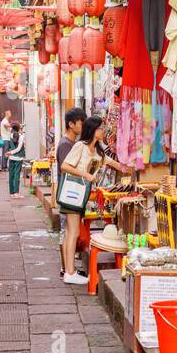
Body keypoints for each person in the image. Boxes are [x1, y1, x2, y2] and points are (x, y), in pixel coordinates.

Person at [58, 115, 131, 285]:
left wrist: (132, 167)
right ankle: (69, 272)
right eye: (100, 128)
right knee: (73, 233)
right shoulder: (80, 146)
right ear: (93, 130)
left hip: (80, 196)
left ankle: (71, 271)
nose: (103, 131)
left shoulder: (98, 151)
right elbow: (65, 166)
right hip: (72, 194)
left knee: (72, 233)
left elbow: (115, 164)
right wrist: (87, 175)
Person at [55, 107, 85, 276]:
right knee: (67, 231)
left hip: (69, 194)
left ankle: (67, 268)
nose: (82, 125)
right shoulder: (67, 144)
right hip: (69, 195)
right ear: (71, 124)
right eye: (81, 122)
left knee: (68, 231)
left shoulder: (71, 143)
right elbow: (65, 168)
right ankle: (66, 268)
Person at [6, 125, 26, 198]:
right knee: (17, 175)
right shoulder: (21, 137)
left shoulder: (10, 135)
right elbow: (18, 149)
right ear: (19, 129)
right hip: (18, 158)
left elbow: (9, 146)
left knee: (11, 175)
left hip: (11, 158)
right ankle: (16, 193)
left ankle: (11, 192)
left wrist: (9, 153)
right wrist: (11, 152)